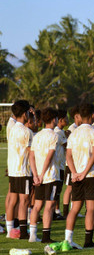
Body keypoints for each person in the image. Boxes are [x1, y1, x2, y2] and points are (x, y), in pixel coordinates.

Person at [65, 103, 94, 249]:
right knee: (91, 208)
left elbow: (68, 156)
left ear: (80, 116)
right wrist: (85, 172)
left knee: (75, 208)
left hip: (76, 175)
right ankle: (88, 241)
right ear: (92, 115)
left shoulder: (73, 133)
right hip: (91, 175)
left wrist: (75, 173)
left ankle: (68, 239)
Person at [28, 107, 59, 243]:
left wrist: (35, 175)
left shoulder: (37, 135)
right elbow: (49, 157)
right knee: (49, 206)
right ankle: (46, 236)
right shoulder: (54, 135)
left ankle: (33, 235)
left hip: (38, 177)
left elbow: (31, 157)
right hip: (51, 176)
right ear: (54, 119)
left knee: (37, 205)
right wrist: (41, 174)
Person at [6, 100, 33, 239]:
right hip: (24, 170)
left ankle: (11, 231)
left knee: (14, 200)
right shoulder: (26, 131)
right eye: (29, 112)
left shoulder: (12, 129)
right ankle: (23, 232)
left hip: (13, 170)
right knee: (24, 200)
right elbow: (31, 153)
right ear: (25, 113)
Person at [52, 109, 68, 220]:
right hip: (59, 165)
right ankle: (54, 211)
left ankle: (56, 211)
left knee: (58, 190)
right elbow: (68, 145)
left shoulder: (60, 131)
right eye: (66, 118)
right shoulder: (58, 132)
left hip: (60, 164)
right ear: (60, 120)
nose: (67, 120)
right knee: (57, 190)